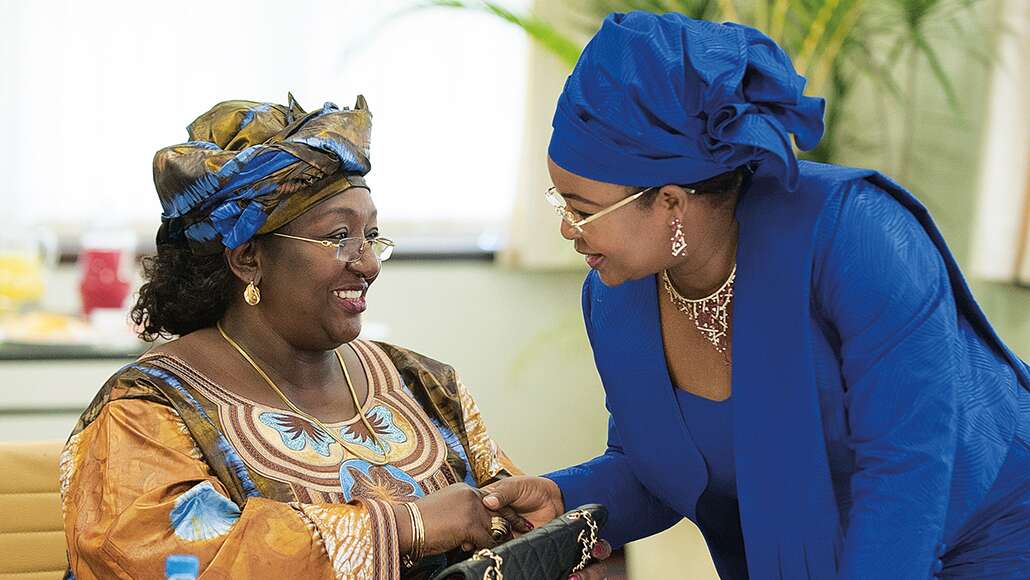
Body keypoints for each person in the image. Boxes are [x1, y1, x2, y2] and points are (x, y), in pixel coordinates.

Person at [484, 12, 1030, 580]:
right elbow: (659, 471)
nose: (567, 229)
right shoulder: (615, 299)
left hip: (993, 534)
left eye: (582, 211)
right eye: (559, 203)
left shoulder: (859, 237)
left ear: (671, 201)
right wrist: (560, 497)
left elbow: (905, 475)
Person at [60, 94, 528, 579]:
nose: (366, 263)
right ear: (247, 259)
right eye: (337, 237)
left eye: (370, 236)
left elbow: (509, 516)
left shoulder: (423, 384)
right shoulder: (146, 411)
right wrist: (404, 526)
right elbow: (165, 561)